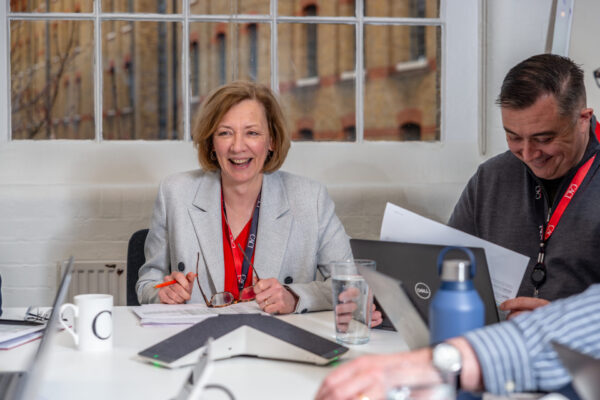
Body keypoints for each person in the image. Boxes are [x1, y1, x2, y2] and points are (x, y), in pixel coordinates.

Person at [135, 81, 381, 321]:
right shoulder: (175, 192)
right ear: (211, 142)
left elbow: (351, 282)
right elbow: (148, 280)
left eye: (252, 133)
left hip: (276, 343)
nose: (238, 146)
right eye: (225, 133)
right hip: (199, 341)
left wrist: (295, 297)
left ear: (271, 140)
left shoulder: (310, 199)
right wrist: (160, 292)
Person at [448, 54, 600, 318]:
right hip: (496, 347)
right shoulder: (492, 177)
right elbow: (444, 268)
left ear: (583, 119)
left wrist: (567, 321)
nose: (529, 154)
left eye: (544, 138)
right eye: (514, 137)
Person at [316, 283, 600, 399]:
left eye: (544, 148)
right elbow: (438, 268)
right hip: (491, 369)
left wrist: (443, 362)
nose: (528, 153)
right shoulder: (490, 177)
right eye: (516, 149)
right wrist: (389, 301)